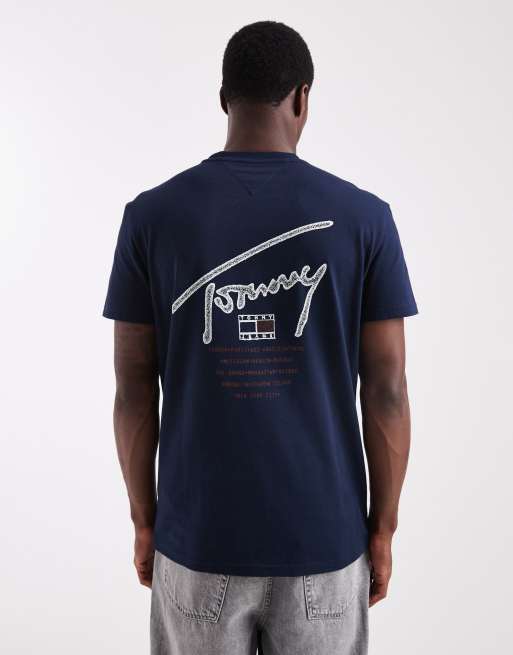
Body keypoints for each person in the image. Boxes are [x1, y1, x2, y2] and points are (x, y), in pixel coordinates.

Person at [103, 20, 417, 655]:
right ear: (302, 97)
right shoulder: (365, 220)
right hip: (323, 545)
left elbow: (134, 393)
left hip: (198, 541)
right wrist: (382, 530)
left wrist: (145, 521)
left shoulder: (151, 218)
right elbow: (387, 393)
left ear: (224, 98)